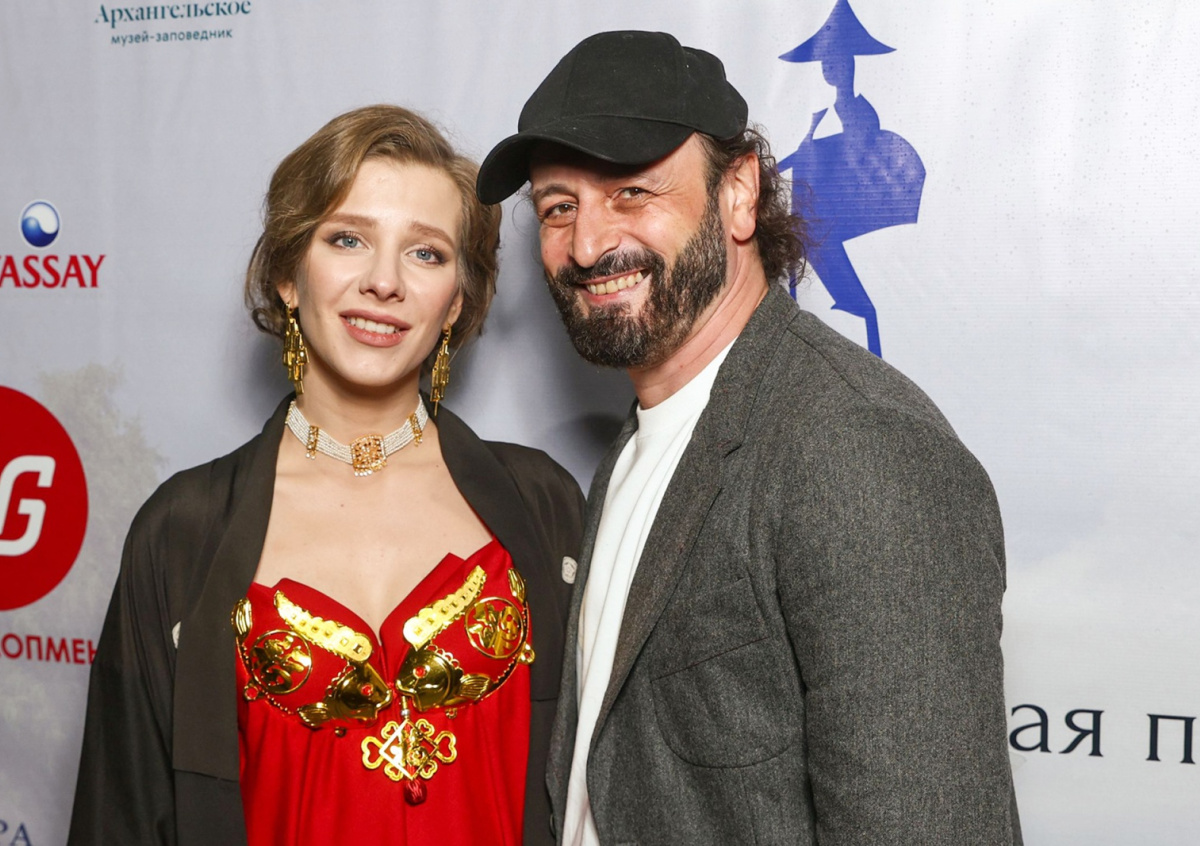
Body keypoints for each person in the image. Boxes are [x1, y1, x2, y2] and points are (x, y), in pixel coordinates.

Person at [476, 30, 1022, 846]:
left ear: (738, 193)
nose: (587, 245)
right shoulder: (640, 441)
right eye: (560, 207)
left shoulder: (857, 448)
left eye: (631, 191)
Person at [69, 105, 584, 846]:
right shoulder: (182, 532)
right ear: (287, 273)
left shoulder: (543, 504)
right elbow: (120, 817)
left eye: (426, 253)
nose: (384, 282)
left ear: (456, 302)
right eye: (348, 239)